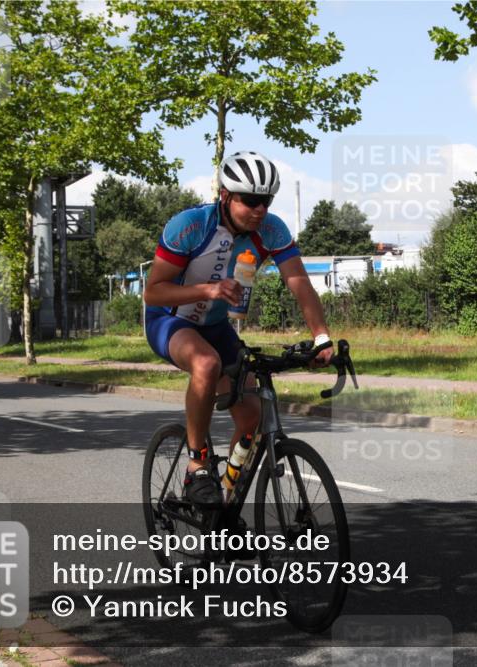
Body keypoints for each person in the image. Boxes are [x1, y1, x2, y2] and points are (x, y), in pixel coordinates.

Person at [143, 151, 334, 508]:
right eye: (252, 201)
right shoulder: (190, 225)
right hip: (170, 320)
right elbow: (153, 291)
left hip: (215, 327)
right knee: (205, 363)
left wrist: (321, 336)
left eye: (267, 201)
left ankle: (226, 507)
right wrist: (209, 290)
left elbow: (299, 282)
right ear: (227, 196)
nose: (261, 209)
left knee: (252, 420)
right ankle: (197, 463)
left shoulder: (271, 230)